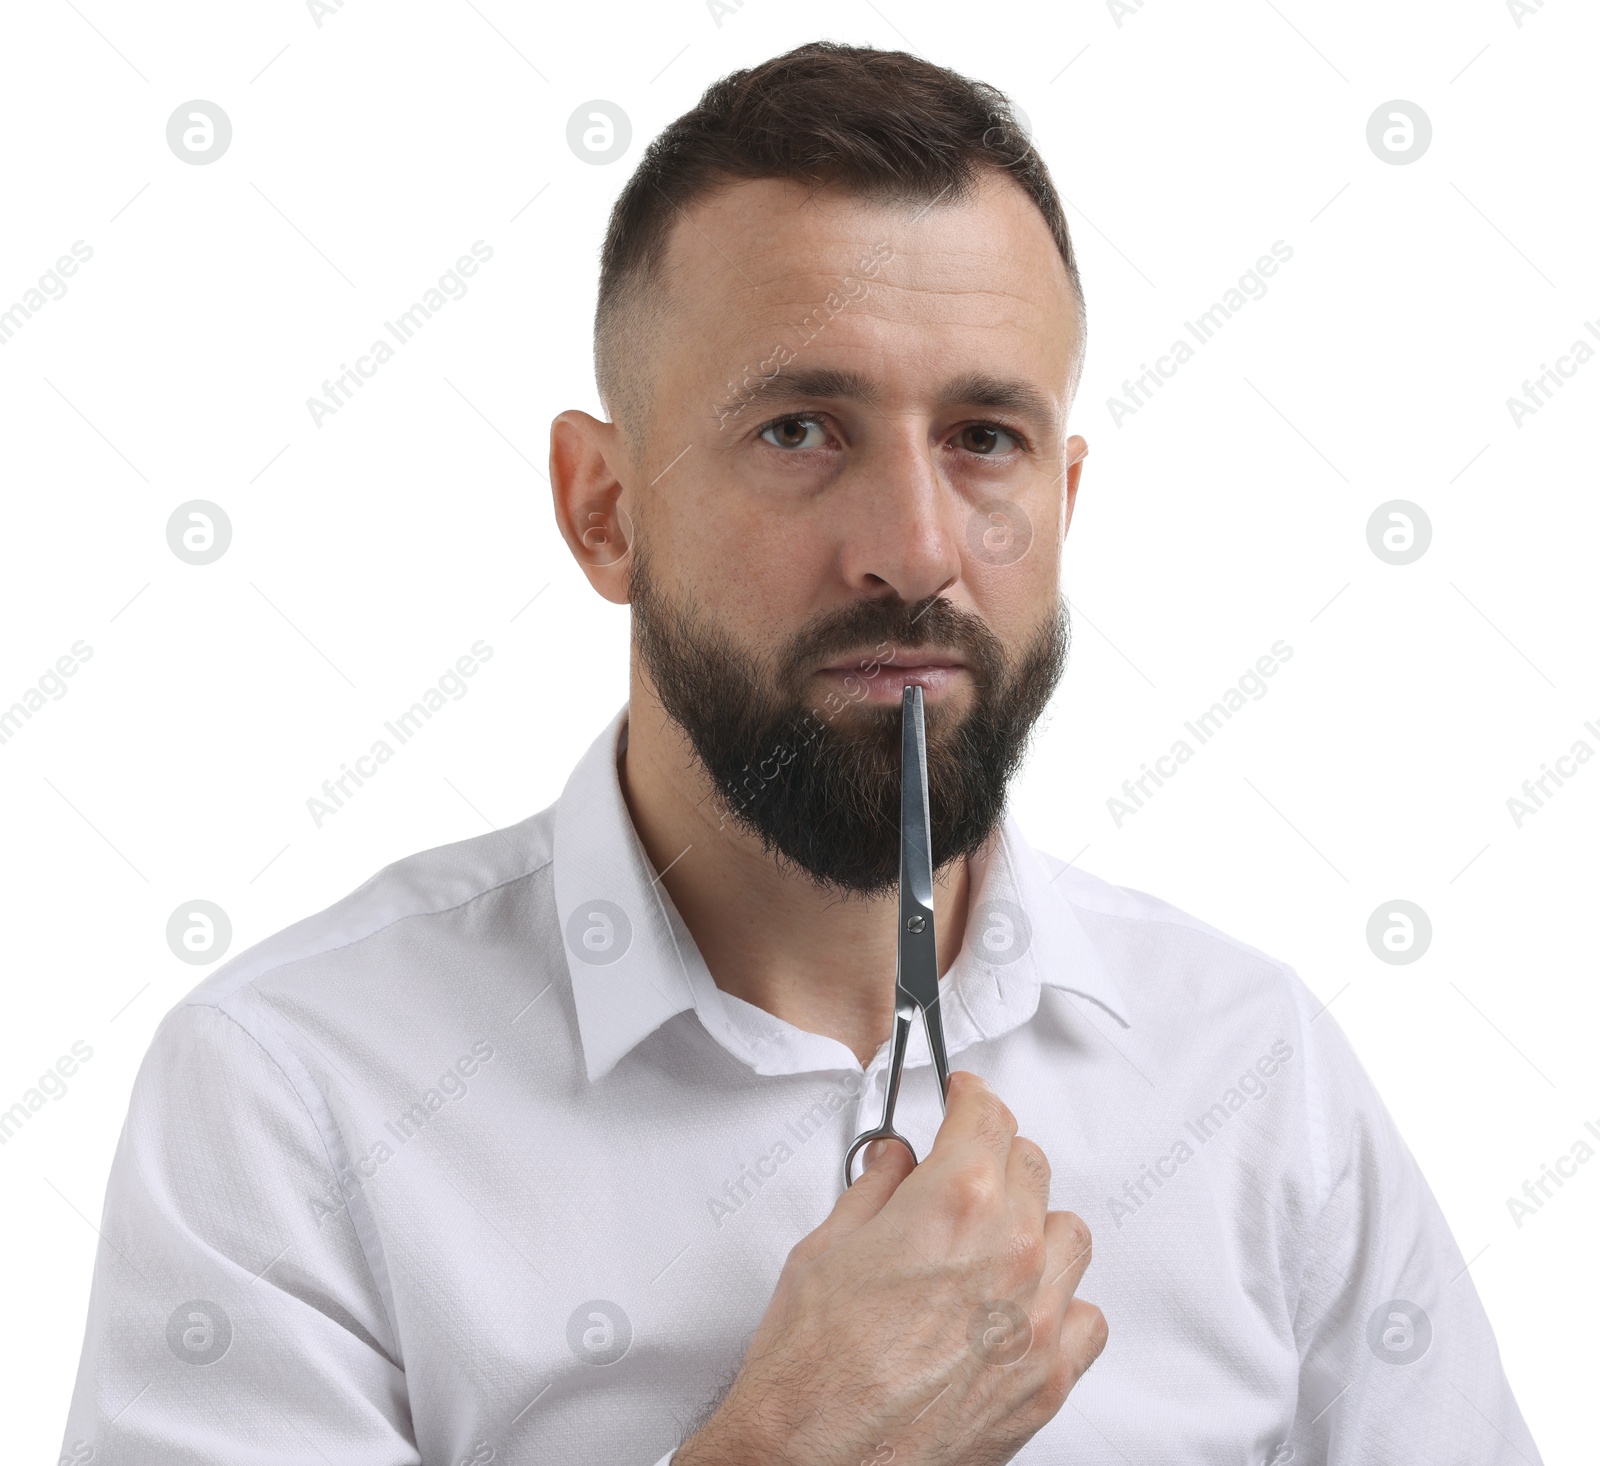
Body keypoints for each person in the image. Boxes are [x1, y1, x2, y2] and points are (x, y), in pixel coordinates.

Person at [61, 41, 1542, 1466]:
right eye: (798, 429)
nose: (914, 550)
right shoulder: (289, 1095)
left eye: (983, 437)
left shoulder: (1254, 1070)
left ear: (1066, 498)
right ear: (603, 508)